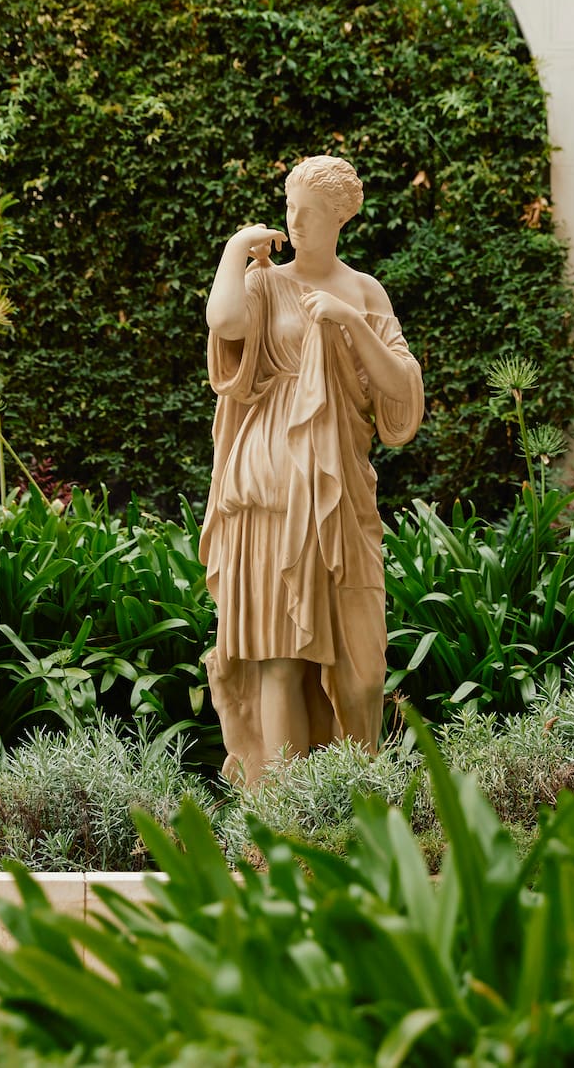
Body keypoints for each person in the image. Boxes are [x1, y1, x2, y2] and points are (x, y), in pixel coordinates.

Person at [200, 155, 424, 784]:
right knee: (279, 660)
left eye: (308, 212)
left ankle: (350, 797)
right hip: (269, 484)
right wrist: (236, 250)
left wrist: (350, 321)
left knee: (363, 669)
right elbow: (225, 323)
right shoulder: (264, 284)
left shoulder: (365, 291)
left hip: (339, 487)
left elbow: (400, 389)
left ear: (338, 219)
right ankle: (286, 813)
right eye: (289, 208)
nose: (293, 221)